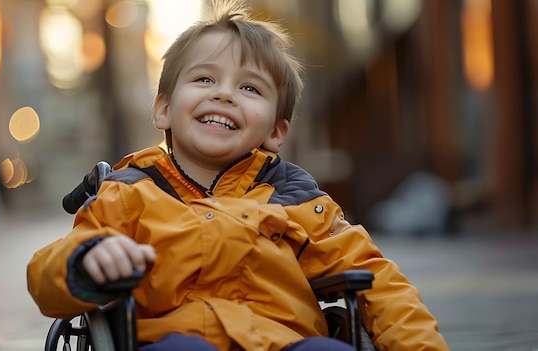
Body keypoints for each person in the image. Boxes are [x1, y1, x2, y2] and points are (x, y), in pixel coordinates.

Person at [27, 0, 449, 350]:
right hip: (177, 339)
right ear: (163, 109)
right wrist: (88, 260)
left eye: (250, 88)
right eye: (205, 78)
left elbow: (380, 282)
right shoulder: (128, 194)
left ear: (275, 132)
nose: (224, 93)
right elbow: (47, 277)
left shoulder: (297, 201)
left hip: (282, 341)